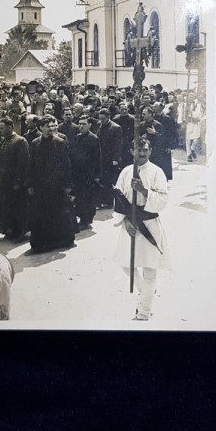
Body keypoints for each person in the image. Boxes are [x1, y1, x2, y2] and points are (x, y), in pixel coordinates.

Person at [112, 136, 171, 320]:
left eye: (145, 149)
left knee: (149, 270)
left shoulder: (156, 172)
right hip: (130, 223)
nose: (142, 153)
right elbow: (118, 198)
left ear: (150, 151)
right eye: (139, 150)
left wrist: (144, 190)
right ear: (132, 152)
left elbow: (162, 199)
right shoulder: (126, 171)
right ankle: (146, 291)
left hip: (149, 225)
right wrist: (125, 221)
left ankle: (144, 311)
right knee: (126, 264)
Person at [26, 115, 75, 253]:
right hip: (40, 186)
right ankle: (41, 243)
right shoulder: (35, 143)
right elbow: (31, 165)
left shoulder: (60, 142)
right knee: (41, 214)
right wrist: (29, 184)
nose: (50, 129)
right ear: (41, 128)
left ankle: (59, 241)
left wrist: (67, 184)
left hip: (56, 186)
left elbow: (66, 165)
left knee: (57, 213)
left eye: (52, 126)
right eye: (47, 126)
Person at [0, 117, 29, 242]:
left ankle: (19, 232)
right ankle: (9, 230)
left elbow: (22, 164)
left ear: (10, 127)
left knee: (17, 207)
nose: (0, 130)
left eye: (2, 128)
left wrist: (18, 182)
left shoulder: (21, 141)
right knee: (6, 206)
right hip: (4, 179)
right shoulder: (3, 141)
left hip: (15, 181)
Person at [72, 116, 101, 230]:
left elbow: (98, 158)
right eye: (79, 124)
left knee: (88, 198)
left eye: (84, 124)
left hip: (89, 174)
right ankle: (82, 218)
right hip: (78, 173)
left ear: (89, 125)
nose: (81, 126)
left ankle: (86, 220)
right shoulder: (77, 137)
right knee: (80, 197)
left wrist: (97, 175)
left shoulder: (94, 138)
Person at [96, 108, 123, 208]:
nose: (101, 121)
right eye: (100, 119)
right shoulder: (100, 126)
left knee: (109, 181)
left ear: (108, 117)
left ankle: (110, 202)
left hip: (111, 159)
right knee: (103, 180)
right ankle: (104, 200)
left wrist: (116, 159)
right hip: (102, 158)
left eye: (103, 119)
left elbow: (118, 144)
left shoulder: (116, 128)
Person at [113, 101, 135, 169]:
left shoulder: (132, 119)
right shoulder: (115, 119)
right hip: (119, 143)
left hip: (129, 143)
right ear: (119, 110)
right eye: (122, 109)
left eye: (126, 109)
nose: (124, 111)